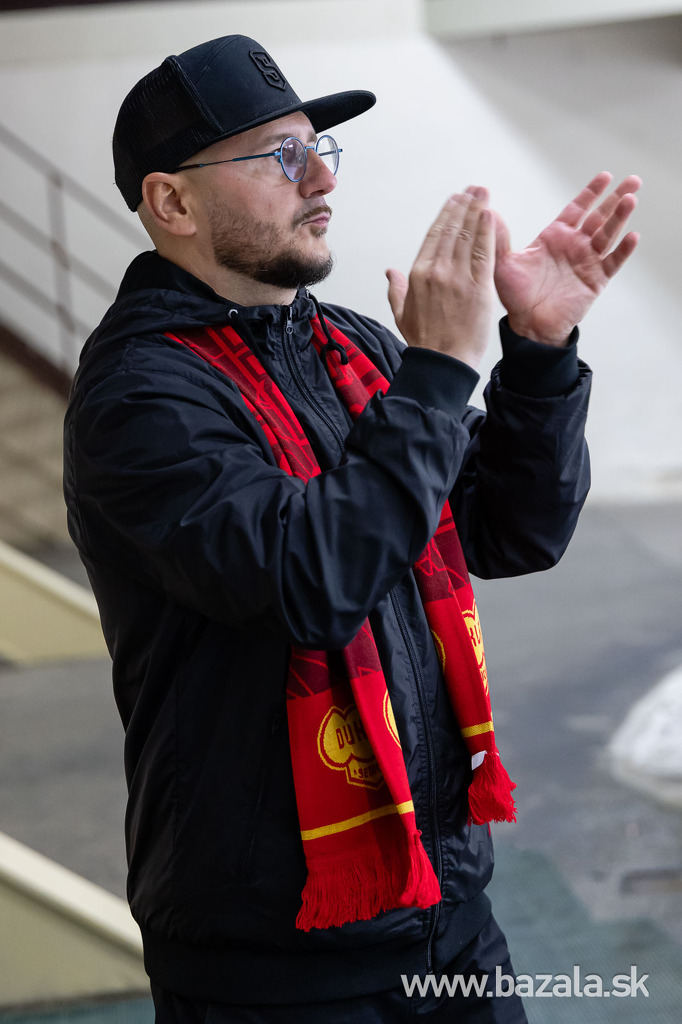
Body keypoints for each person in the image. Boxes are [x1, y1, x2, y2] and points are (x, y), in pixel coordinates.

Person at [63, 34, 640, 1024]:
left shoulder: (351, 349)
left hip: (444, 907)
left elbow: (510, 530)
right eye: (279, 155)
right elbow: (313, 580)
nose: (321, 177)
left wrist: (538, 354)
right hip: (274, 953)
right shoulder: (140, 398)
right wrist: (439, 373)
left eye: (319, 147)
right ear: (172, 202)